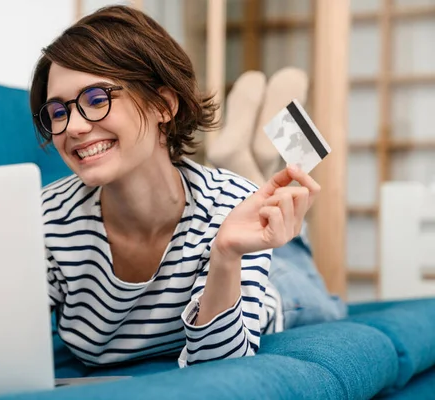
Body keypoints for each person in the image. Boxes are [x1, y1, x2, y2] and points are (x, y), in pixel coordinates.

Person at [30, 5, 346, 369]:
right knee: (247, 203)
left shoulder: (229, 204)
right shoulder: (46, 218)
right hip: (217, 211)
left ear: (163, 105)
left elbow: (223, 365)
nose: (73, 127)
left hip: (268, 275)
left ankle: (254, 168)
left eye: (97, 100)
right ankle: (243, 159)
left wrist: (226, 254)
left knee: (322, 302)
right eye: (58, 112)